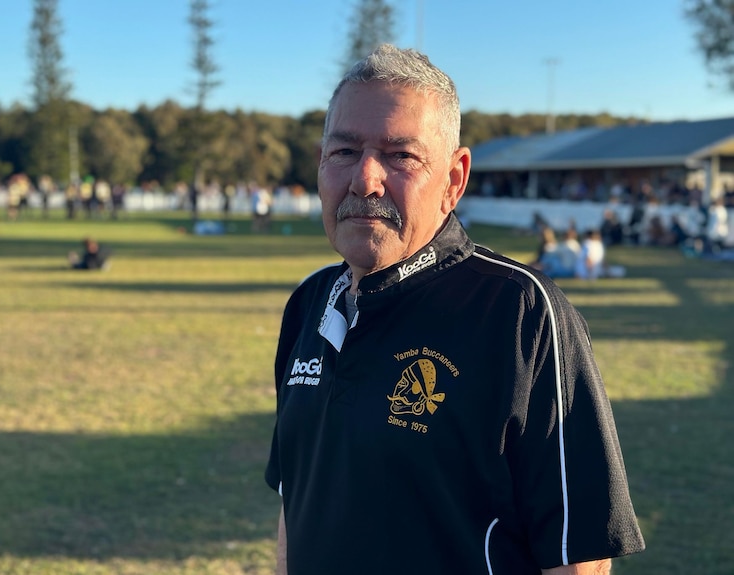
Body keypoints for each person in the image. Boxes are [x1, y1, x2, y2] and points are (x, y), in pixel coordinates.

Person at [265, 44, 644, 575]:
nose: (365, 180)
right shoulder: (307, 304)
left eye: (401, 156)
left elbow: (578, 557)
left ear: (454, 179)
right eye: (344, 152)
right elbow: (295, 499)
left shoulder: (521, 313)